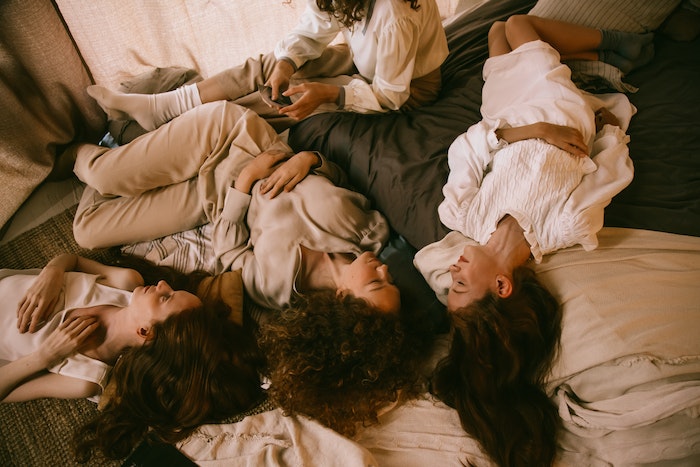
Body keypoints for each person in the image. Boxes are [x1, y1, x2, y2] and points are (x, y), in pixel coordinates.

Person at [414, 15, 650, 467]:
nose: (454, 269)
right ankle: (624, 40)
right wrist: (604, 126)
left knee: (495, 33)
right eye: (461, 284)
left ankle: (596, 59)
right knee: (519, 24)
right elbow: (611, 170)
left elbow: (465, 147)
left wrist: (529, 132)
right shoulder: (570, 226)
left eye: (450, 281)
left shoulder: (462, 215)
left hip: (505, 114)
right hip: (557, 105)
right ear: (503, 286)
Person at [71, 100, 401, 315]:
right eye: (390, 280)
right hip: (234, 141)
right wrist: (310, 159)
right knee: (104, 176)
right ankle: (74, 153)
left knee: (87, 231)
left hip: (216, 196)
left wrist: (244, 184)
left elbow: (229, 253)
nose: (385, 270)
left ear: (342, 298)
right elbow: (342, 174)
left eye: (377, 283)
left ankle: (128, 139)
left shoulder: (279, 289)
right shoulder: (371, 231)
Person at [85, 0, 449, 132]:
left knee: (296, 99)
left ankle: (180, 120)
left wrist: (332, 93)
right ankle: (163, 107)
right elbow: (316, 25)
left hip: (406, 89)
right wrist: (287, 61)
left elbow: (391, 95)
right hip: (370, 59)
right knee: (270, 67)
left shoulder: (394, 17)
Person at [0, 252, 203, 402]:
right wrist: (53, 271)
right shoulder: (125, 282)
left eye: (166, 298)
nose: (162, 283)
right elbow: (74, 260)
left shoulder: (85, 379)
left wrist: (43, 357)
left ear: (145, 331)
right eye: (173, 290)